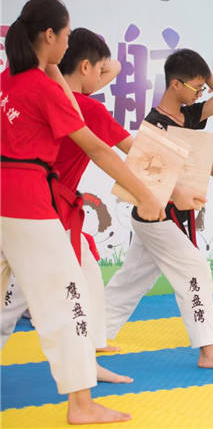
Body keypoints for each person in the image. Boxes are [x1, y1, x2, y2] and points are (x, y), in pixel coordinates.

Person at [1, 0, 165, 424]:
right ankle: (81, 404)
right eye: (66, 34)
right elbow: (99, 150)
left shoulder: (8, 82)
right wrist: (147, 194)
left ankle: (83, 391)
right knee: (69, 296)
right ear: (50, 35)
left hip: (8, 199)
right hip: (27, 201)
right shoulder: (43, 89)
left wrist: (52, 66)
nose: (68, 42)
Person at [2, 27, 135, 383]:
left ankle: (88, 363)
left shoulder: (51, 95)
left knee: (82, 280)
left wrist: (61, 67)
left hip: (37, 205)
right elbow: (126, 150)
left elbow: (108, 69)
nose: (106, 74)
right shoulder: (85, 108)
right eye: (97, 68)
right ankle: (83, 374)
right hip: (45, 210)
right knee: (24, 299)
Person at [104, 48, 213, 370]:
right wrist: (177, 195)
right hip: (156, 213)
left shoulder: (191, 116)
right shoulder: (154, 124)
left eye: (202, 87)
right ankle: (208, 351)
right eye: (196, 87)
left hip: (171, 215)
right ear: (174, 84)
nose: (201, 92)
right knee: (196, 270)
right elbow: (147, 173)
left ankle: (96, 336)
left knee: (131, 279)